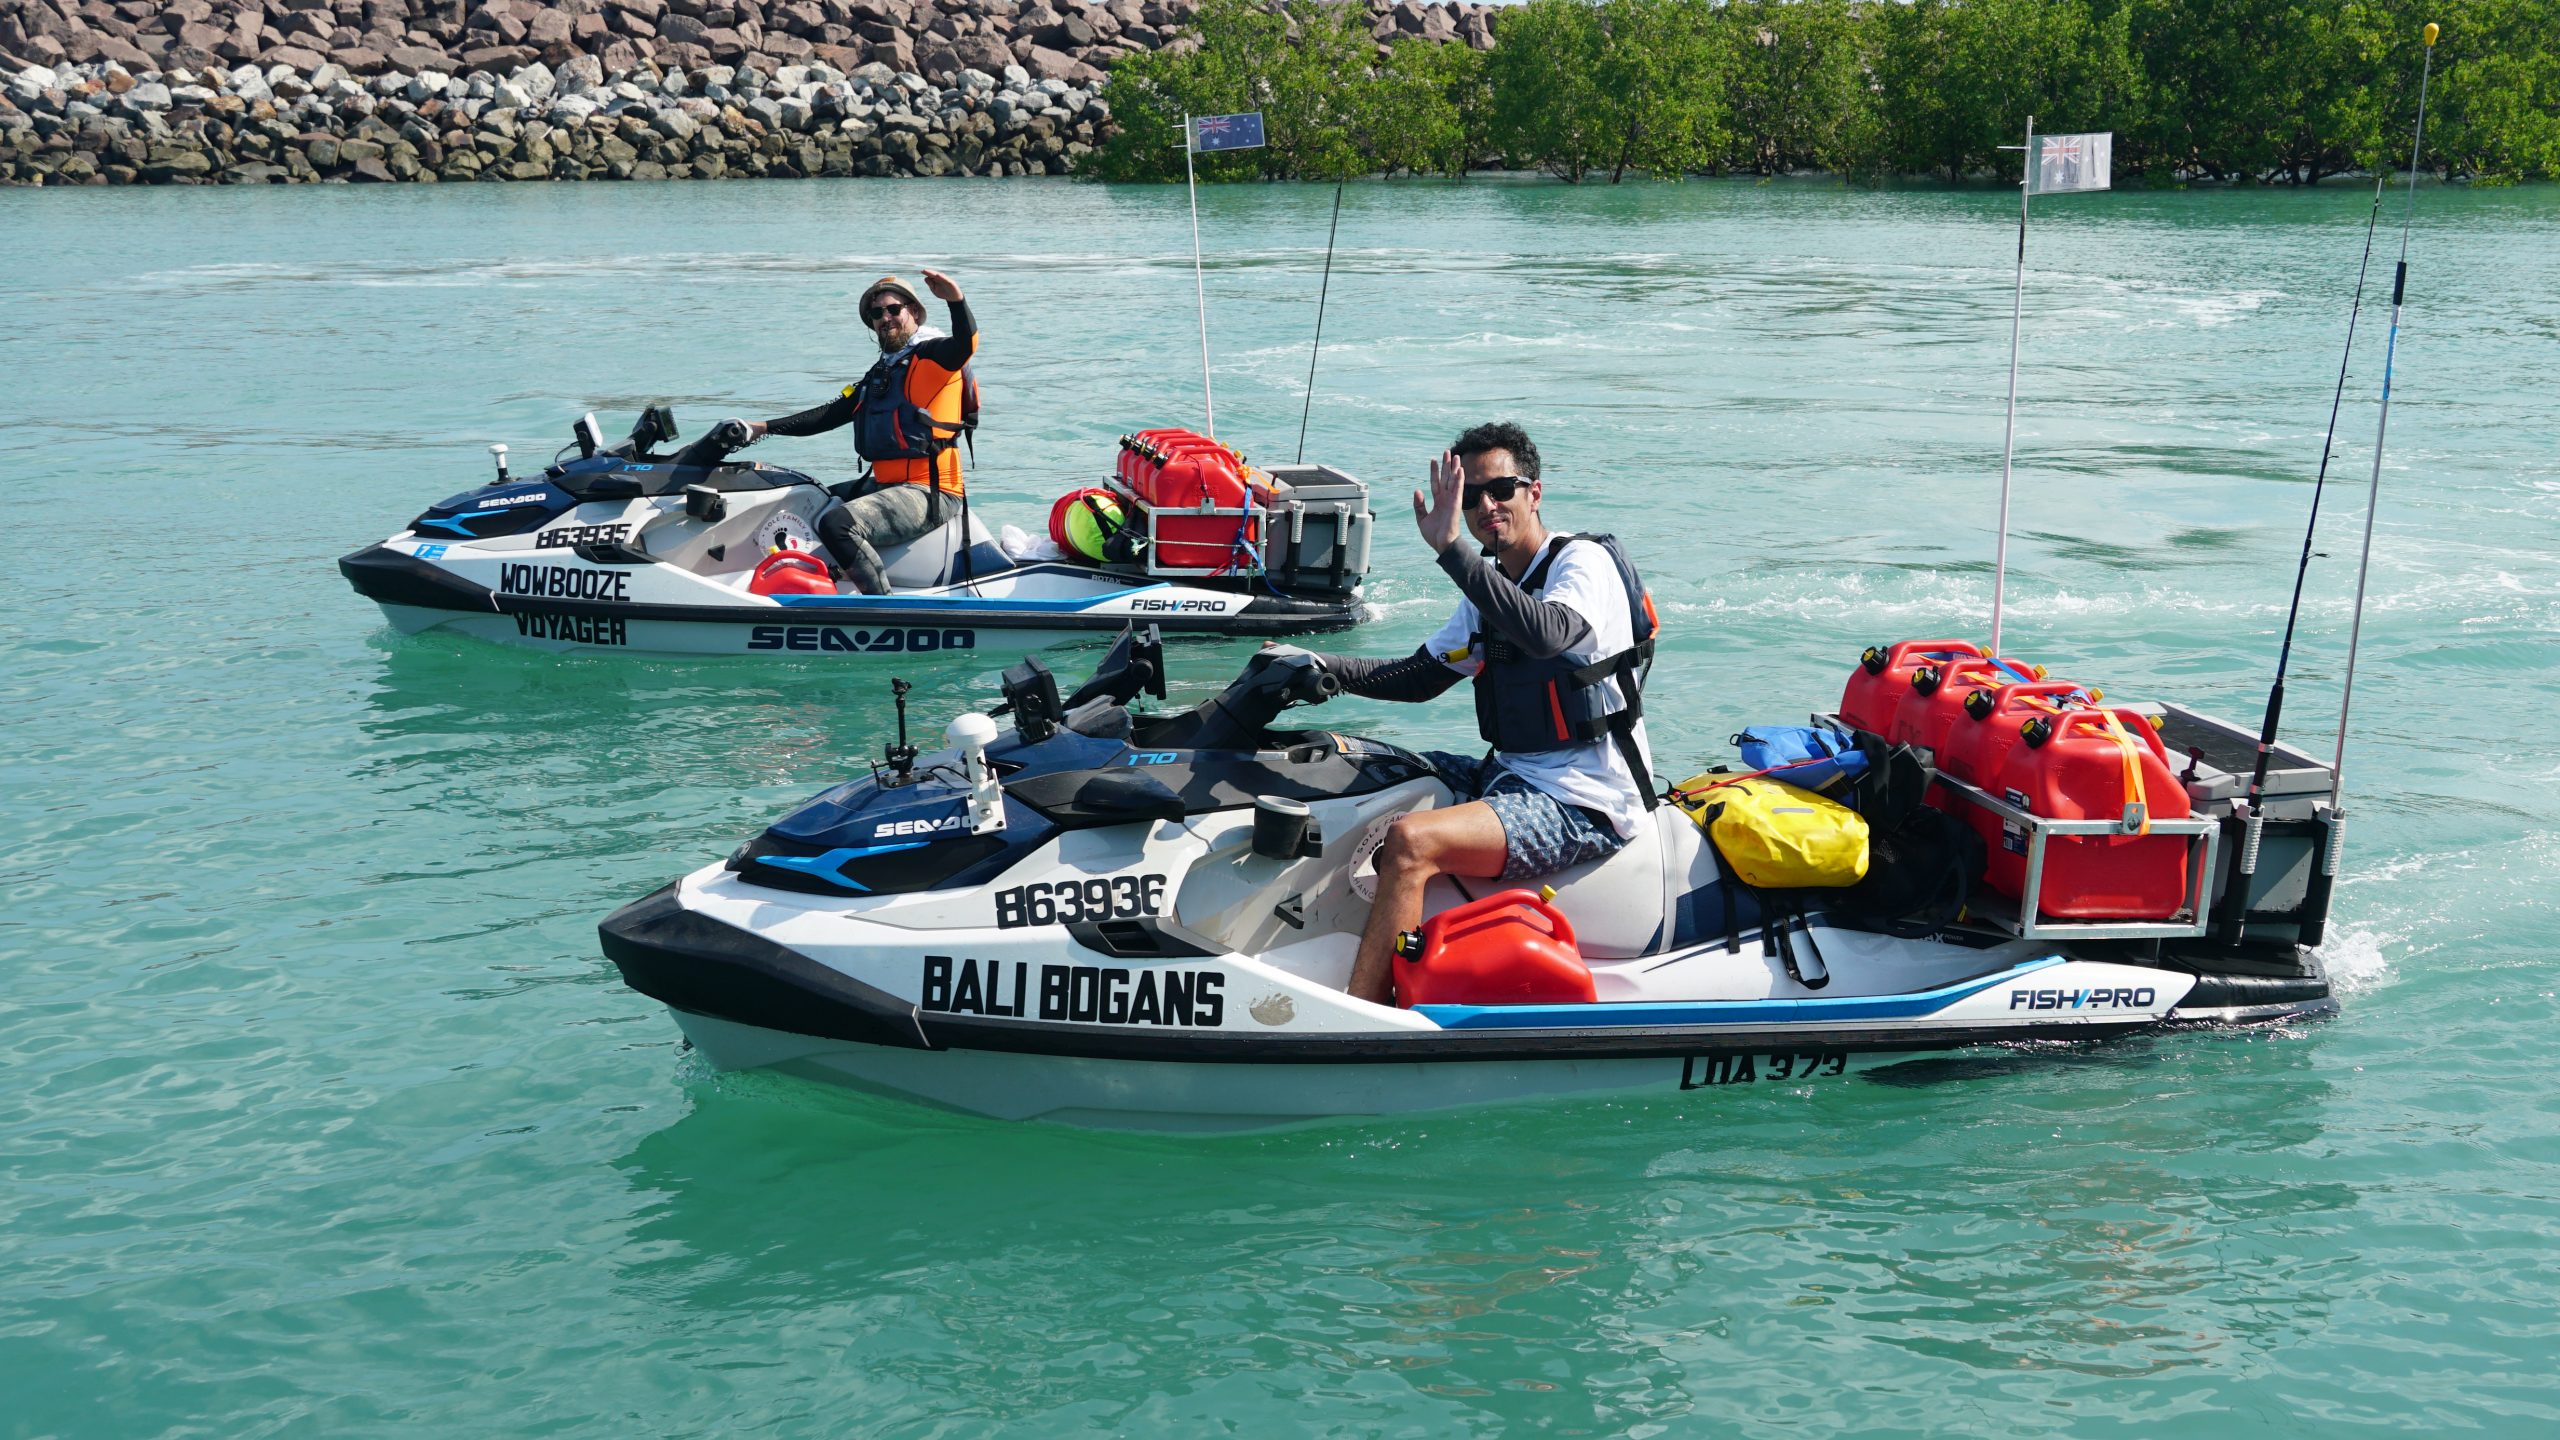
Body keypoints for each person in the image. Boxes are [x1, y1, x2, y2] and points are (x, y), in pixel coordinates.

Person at [1303, 422, 1657, 1005]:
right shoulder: (1486, 592)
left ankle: (1369, 1015)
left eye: (1500, 490)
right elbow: (1417, 678)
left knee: (1412, 841)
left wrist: (1450, 549)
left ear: (1534, 492)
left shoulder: (1581, 563)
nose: (1485, 506)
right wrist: (1316, 664)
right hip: (1511, 775)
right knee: (1356, 765)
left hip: (1586, 802)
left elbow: (1549, 636)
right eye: (1469, 497)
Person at [749, 268, 978, 594]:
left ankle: (882, 607)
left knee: (837, 524)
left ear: (912, 311)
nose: (885, 318)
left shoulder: (933, 356)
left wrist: (956, 300)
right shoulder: (881, 373)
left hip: (930, 493)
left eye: (893, 309)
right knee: (811, 499)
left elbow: (966, 343)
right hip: (888, 484)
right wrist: (763, 428)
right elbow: (829, 414)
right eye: (876, 313)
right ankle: (814, 580)